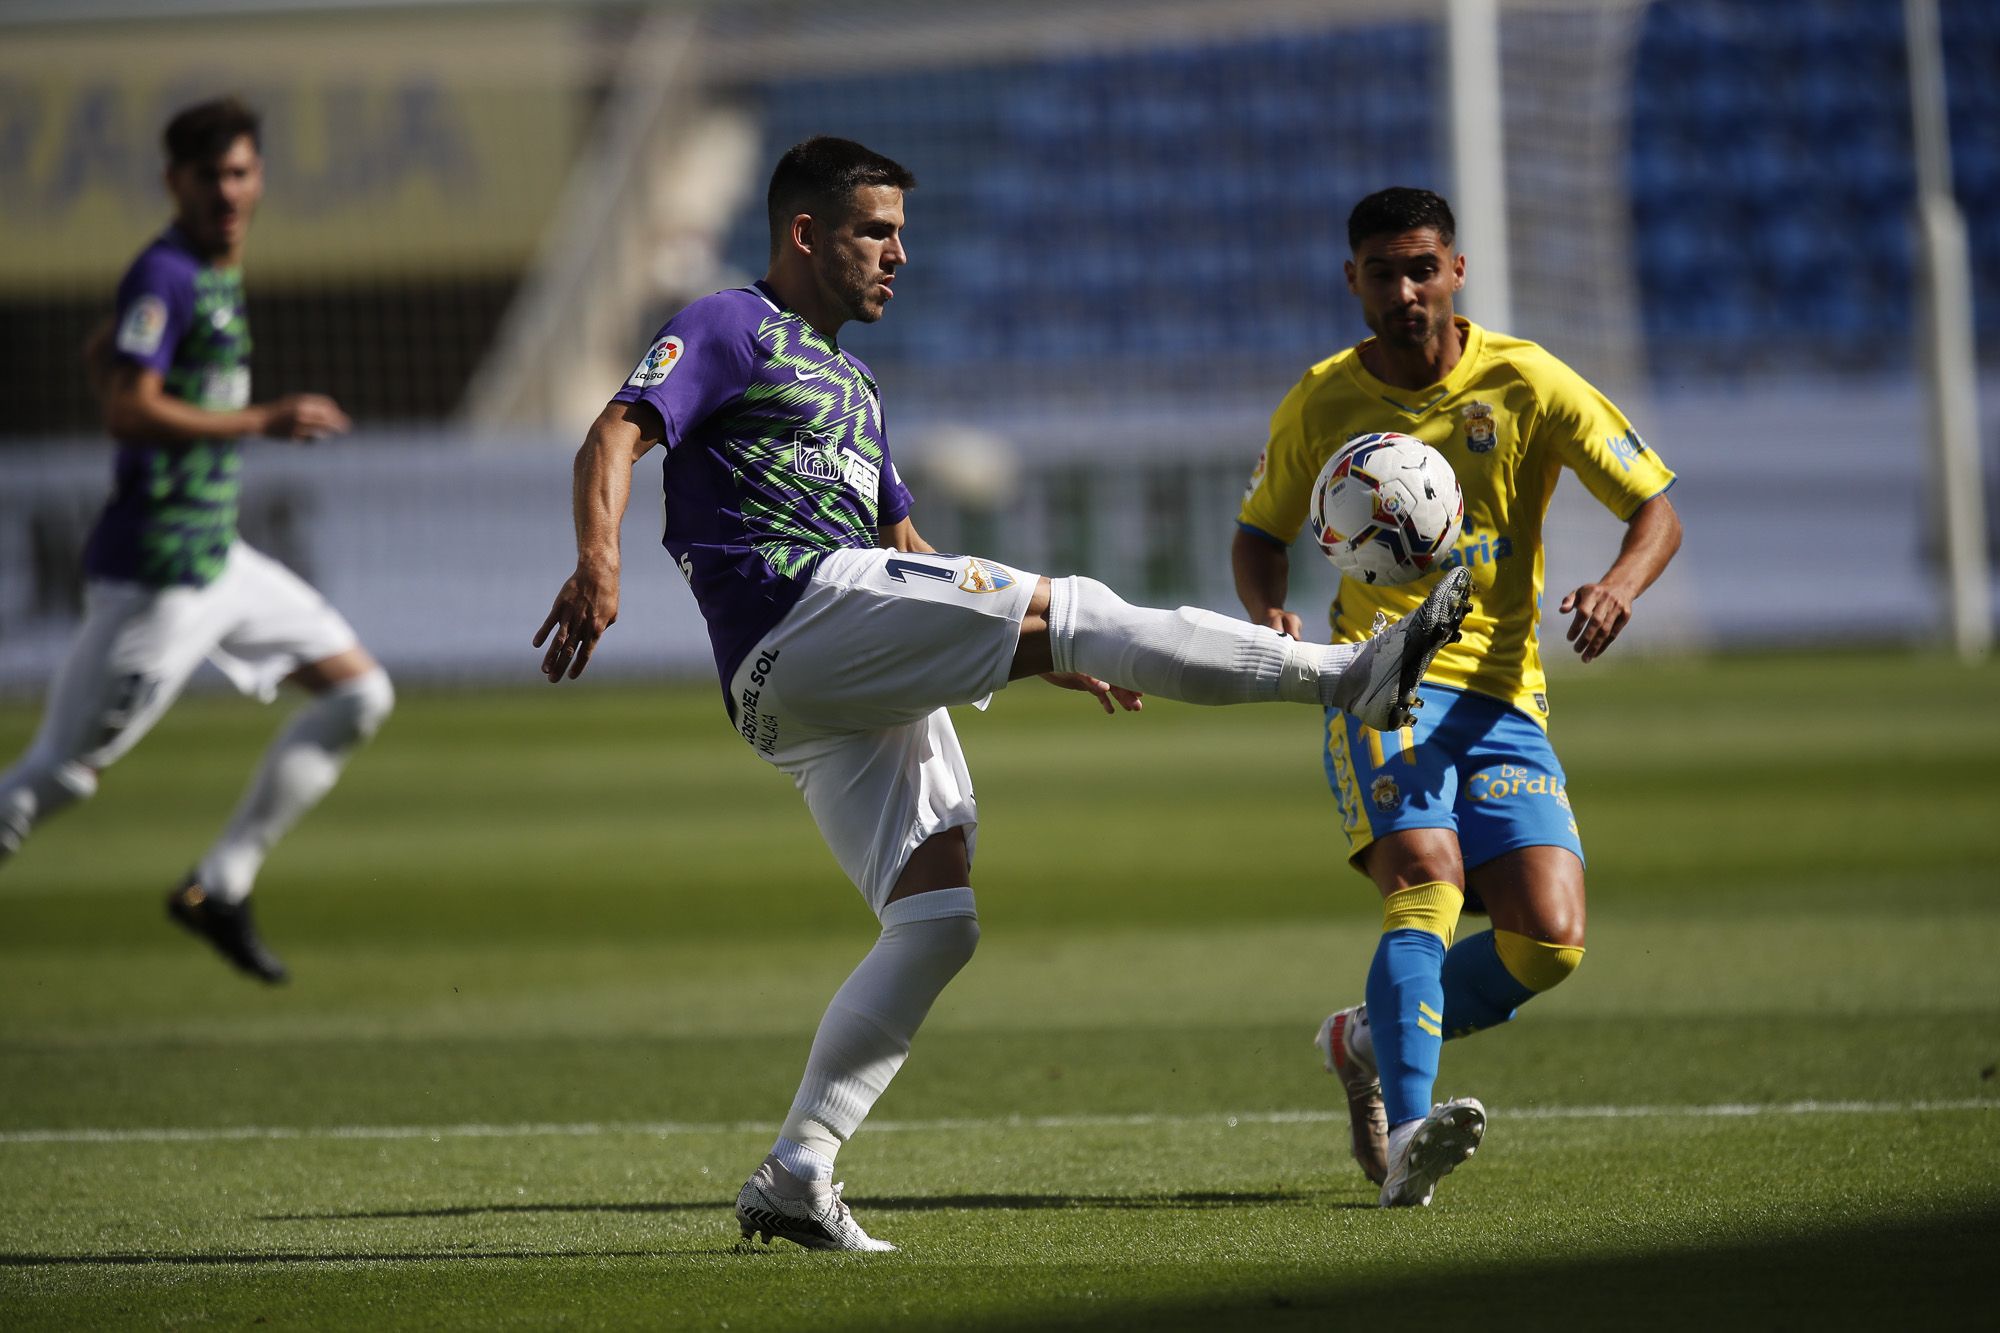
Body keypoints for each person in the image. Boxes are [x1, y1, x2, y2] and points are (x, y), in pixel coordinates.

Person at [533, 137, 1474, 1252]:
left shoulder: (855, 386)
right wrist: (601, 559)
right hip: (797, 612)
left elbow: (908, 548)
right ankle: (1344, 677)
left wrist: (1042, 646)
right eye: (874, 232)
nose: (897, 254)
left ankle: (798, 1167)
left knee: (935, 921)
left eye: (898, 233)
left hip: (814, 678)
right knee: (1072, 597)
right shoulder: (735, 327)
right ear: (803, 234)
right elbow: (615, 432)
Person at [1233, 187, 1682, 1207]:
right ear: (1351, 280)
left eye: (1421, 267)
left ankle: (1358, 1035)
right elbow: (1256, 531)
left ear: (1456, 271)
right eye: (1382, 272)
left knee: (1547, 939)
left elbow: (1653, 508)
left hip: (1498, 698)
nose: (1404, 291)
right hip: (1377, 677)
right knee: (1424, 880)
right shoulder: (1321, 400)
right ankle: (1405, 1138)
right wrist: (1267, 612)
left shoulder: (1523, 382)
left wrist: (1616, 585)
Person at [0, 97, 394, 984]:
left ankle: (220, 884)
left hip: (218, 557)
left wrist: (129, 358)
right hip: (158, 579)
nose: (227, 190)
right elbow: (126, 404)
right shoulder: (169, 272)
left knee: (359, 693)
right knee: (57, 776)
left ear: (258, 179)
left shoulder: (207, 269)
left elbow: (108, 354)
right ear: (173, 182)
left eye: (241, 172)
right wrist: (260, 418)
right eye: (208, 175)